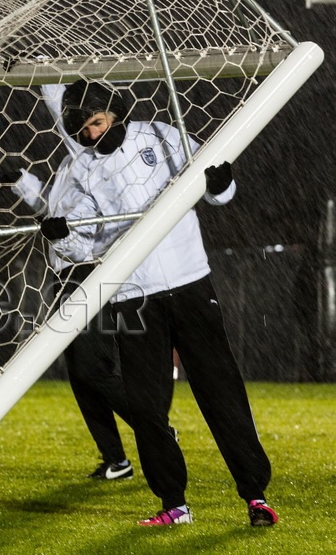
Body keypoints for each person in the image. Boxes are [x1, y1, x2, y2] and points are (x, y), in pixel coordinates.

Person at [39, 80, 277, 527]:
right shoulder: (82, 169)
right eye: (84, 130)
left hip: (191, 282)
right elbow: (84, 244)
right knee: (147, 406)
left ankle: (255, 495)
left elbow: (215, 188)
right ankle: (173, 503)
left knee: (221, 391)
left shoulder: (163, 135)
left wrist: (222, 183)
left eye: (97, 122)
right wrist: (62, 236)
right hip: (133, 295)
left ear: (116, 111)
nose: (93, 134)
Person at [8, 84, 138, 481]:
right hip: (66, 273)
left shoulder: (99, 163)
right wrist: (23, 184)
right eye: (80, 123)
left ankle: (153, 426)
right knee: (82, 373)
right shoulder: (71, 165)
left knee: (94, 369)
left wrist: (48, 78)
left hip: (91, 270)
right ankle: (116, 459)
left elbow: (85, 225)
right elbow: (54, 212)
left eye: (93, 121)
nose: (85, 130)